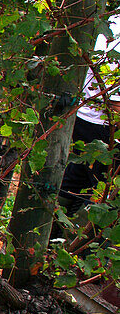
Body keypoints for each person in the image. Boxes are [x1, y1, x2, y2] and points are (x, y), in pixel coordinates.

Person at [59, 15, 120, 213]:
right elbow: (114, 100)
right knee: (104, 188)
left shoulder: (111, 19)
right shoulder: (115, 31)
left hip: (89, 117)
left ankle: (56, 231)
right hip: (103, 123)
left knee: (80, 175)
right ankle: (83, 234)